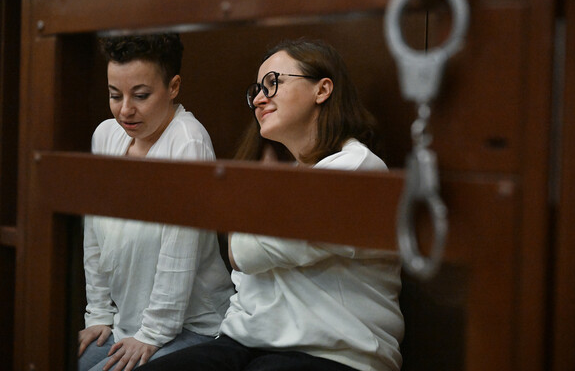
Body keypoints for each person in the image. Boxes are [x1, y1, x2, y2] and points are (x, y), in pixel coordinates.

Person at [139, 38, 404, 371]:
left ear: (322, 90)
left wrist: (252, 214)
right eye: (257, 90)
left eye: (273, 83)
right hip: (242, 343)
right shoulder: (287, 176)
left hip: (334, 353)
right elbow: (243, 252)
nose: (259, 99)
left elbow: (244, 252)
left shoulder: (358, 168)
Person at [79, 33, 234, 371]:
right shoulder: (105, 135)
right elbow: (93, 237)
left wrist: (152, 334)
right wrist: (99, 314)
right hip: (126, 322)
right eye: (115, 95)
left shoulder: (188, 142)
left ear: (173, 87)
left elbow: (178, 254)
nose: (125, 110)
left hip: (193, 326)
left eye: (141, 95)